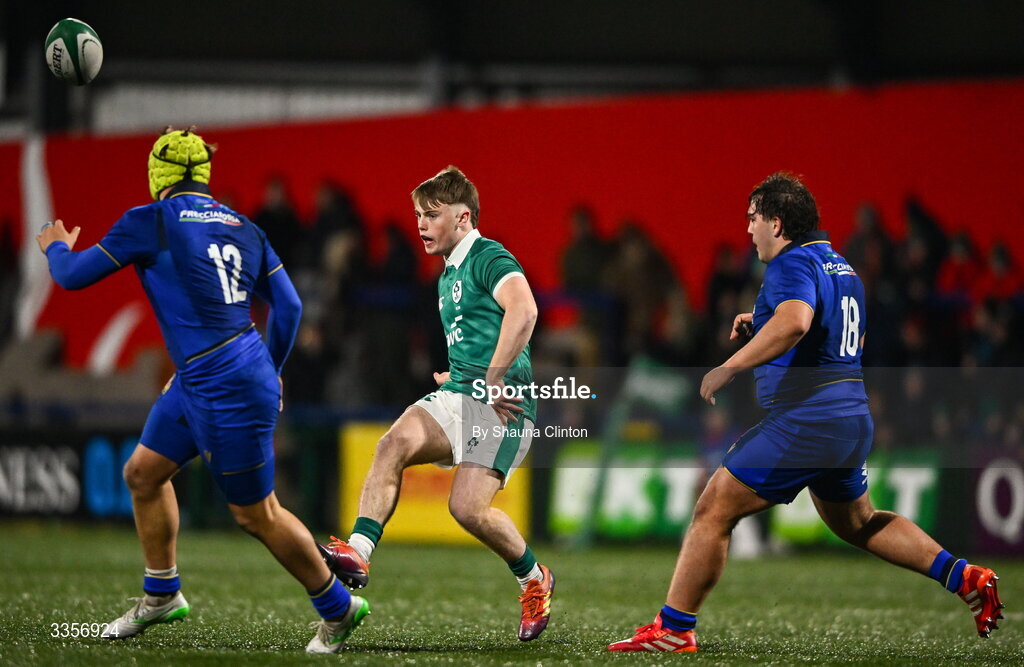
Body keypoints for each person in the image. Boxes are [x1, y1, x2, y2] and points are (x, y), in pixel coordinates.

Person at [609, 172, 1004, 653]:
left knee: (712, 508)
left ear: (777, 223)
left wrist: (728, 367)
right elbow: (818, 321)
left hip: (807, 419)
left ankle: (673, 628)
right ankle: (966, 577)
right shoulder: (840, 265)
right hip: (849, 416)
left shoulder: (789, 263)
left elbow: (796, 322)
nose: (748, 230)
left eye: (753, 219)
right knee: (858, 522)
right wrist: (761, 320)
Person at [36, 127, 369, 654]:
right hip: (212, 375)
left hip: (223, 381)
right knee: (143, 474)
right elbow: (290, 308)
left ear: (157, 175)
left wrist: (55, 247)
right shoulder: (245, 226)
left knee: (256, 515)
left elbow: (73, 276)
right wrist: (272, 367)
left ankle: (337, 605)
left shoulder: (150, 220)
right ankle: (162, 594)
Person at [319, 166, 555, 641]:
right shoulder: (447, 272)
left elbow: (525, 309)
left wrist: (489, 378)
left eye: (432, 214)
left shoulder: (489, 255)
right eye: (417, 215)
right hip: (462, 394)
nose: (421, 224)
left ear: (463, 217)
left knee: (467, 509)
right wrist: (462, 372)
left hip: (504, 405)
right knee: (392, 444)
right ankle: (359, 551)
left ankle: (535, 580)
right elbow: (482, 332)